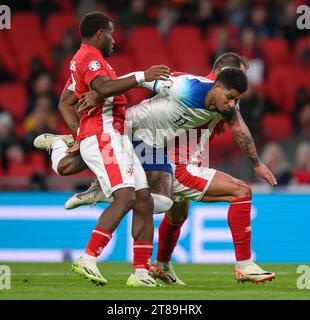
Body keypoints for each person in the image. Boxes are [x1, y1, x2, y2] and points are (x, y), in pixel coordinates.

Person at [36, 54, 276, 285]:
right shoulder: (186, 86)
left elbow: (239, 128)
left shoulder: (225, 105)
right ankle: (241, 265)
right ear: (219, 79)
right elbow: (141, 78)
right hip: (141, 140)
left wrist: (254, 161)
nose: (237, 101)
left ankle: (156, 265)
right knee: (72, 168)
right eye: (235, 85)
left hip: (152, 152)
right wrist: (101, 93)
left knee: (174, 211)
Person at [34, 11, 171, 287]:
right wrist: (142, 77)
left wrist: (79, 131)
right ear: (100, 33)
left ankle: (141, 272)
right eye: (111, 33)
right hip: (105, 135)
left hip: (113, 135)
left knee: (143, 198)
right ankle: (89, 257)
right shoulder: (90, 58)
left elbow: (65, 102)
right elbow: (104, 87)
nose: (114, 40)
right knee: (126, 197)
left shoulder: (83, 60)